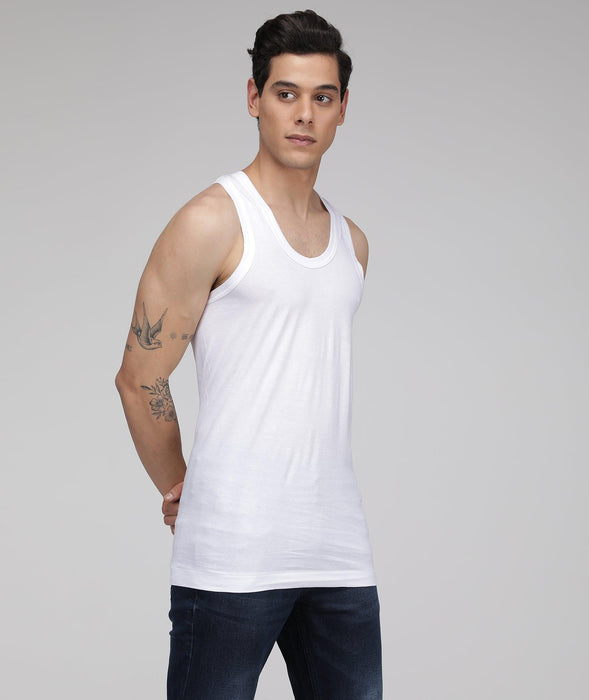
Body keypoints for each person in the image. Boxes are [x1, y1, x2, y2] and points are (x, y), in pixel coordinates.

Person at [115, 9, 382, 699]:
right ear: (254, 98)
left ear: (343, 109)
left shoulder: (352, 244)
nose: (304, 114)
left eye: (323, 97)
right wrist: (183, 488)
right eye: (286, 93)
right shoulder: (212, 220)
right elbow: (140, 377)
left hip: (337, 551)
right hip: (230, 555)